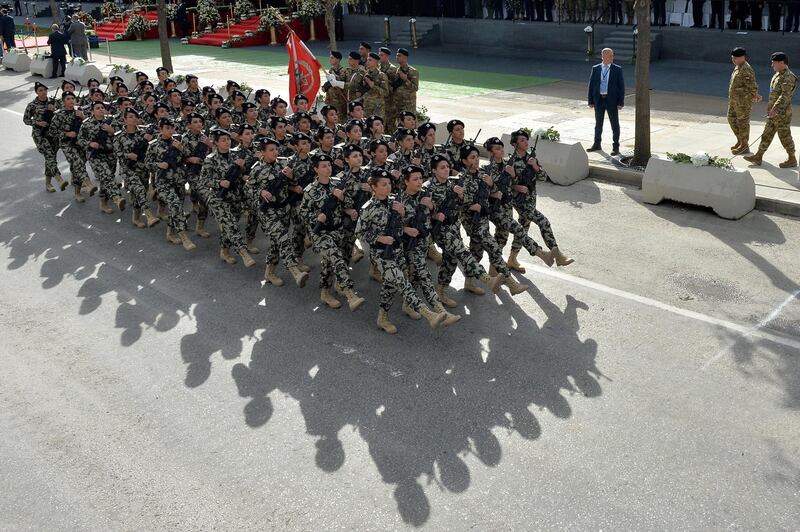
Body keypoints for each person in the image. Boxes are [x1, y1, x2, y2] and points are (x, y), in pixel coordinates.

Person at [355, 168, 448, 334]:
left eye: (389, 183)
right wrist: (380, 238)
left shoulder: (395, 203)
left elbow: (404, 224)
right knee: (403, 283)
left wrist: (403, 214)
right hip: (382, 255)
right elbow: (359, 232)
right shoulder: (367, 208)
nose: (388, 187)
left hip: (398, 251)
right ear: (373, 187)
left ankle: (382, 318)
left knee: (390, 287)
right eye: (383, 184)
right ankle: (429, 314)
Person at [744, 52, 797, 168]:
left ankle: (792, 158)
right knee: (767, 134)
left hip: (782, 113)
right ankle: (759, 156)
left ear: (782, 63)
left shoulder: (788, 77)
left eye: (774, 63)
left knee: (784, 136)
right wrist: (771, 109)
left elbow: (785, 95)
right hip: (773, 112)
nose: (772, 65)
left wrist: (776, 108)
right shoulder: (778, 75)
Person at [23, 82, 67, 192]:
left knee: (50, 158)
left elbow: (64, 112)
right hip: (40, 134)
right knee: (49, 155)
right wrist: (37, 123)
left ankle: (48, 183)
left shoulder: (54, 102)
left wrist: (55, 110)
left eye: (45, 90)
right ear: (36, 92)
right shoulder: (32, 105)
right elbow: (26, 120)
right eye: (40, 90)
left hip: (53, 134)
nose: (43, 92)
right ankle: (59, 178)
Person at [587, 48, 625, 155]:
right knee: (598, 124)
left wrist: (620, 102)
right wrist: (590, 100)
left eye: (612, 55)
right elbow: (591, 85)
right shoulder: (595, 68)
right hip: (598, 100)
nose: (612, 57)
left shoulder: (617, 69)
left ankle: (615, 147)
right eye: (610, 56)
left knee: (615, 124)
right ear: (603, 57)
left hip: (612, 100)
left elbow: (621, 87)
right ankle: (597, 144)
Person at [727, 47, 760, 155]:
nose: (733, 59)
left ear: (743, 57)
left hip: (742, 103)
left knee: (742, 123)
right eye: (732, 57)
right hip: (734, 101)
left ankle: (744, 146)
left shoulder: (746, 69)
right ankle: (741, 141)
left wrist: (755, 95)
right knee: (731, 119)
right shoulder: (738, 67)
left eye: (735, 58)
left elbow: (752, 86)